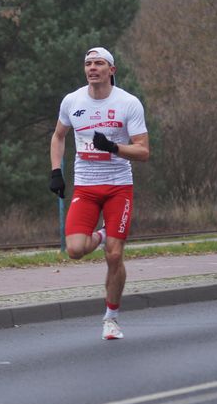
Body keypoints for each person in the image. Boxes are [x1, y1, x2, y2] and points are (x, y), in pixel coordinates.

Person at [49, 47, 149, 340]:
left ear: (111, 70)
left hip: (118, 186)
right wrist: (56, 171)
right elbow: (58, 136)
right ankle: (105, 233)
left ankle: (111, 318)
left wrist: (115, 148)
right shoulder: (72, 101)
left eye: (99, 64)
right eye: (88, 64)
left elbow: (143, 151)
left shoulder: (128, 103)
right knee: (75, 250)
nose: (93, 68)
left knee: (114, 256)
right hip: (87, 187)